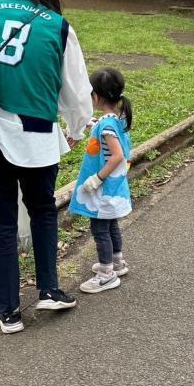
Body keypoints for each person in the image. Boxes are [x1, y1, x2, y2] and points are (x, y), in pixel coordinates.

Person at [0, 0, 93, 333]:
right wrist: (75, 129)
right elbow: (76, 92)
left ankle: (6, 310)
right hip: (35, 135)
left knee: (1, 222)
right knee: (42, 210)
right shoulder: (58, 27)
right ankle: (49, 290)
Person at [70, 69, 133, 294]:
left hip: (104, 188)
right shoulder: (116, 118)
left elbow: (116, 155)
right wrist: (92, 124)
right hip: (115, 188)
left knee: (100, 229)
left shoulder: (107, 127)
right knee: (111, 224)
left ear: (96, 97)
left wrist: (97, 179)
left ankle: (106, 274)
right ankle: (117, 262)